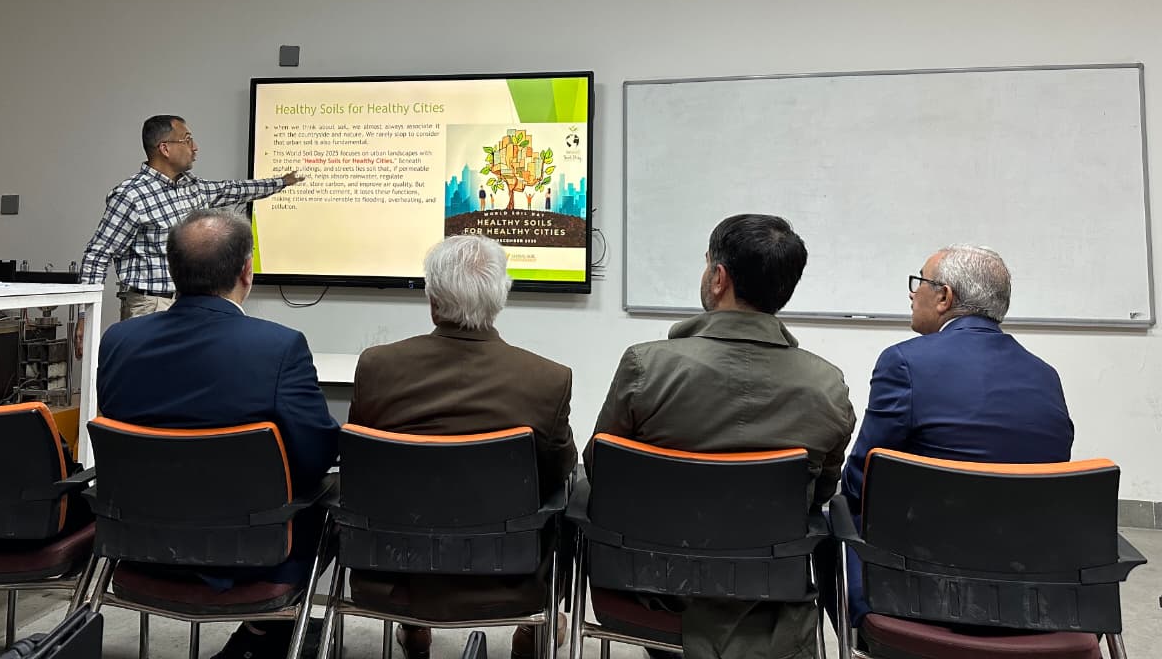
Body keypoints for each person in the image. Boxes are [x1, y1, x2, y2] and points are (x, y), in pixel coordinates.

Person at [586, 214, 855, 659]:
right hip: (768, 589)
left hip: (650, 581)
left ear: (718, 278)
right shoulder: (827, 387)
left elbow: (602, 470)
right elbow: (820, 493)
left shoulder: (646, 367)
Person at [97, 210, 339, 659]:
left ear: (173, 270)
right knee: (329, 500)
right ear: (246, 271)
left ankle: (261, 636)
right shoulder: (278, 347)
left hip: (137, 544)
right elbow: (316, 456)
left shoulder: (119, 340)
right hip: (253, 553)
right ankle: (265, 632)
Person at [348, 235, 576, 659]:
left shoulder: (377, 367)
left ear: (433, 301)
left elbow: (361, 465)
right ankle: (532, 633)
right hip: (509, 571)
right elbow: (558, 472)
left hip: (394, 567)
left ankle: (414, 626)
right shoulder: (547, 380)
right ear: (500, 298)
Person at [836, 244, 1074, 630]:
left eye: (920, 282)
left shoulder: (904, 362)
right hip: (1032, 592)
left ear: (944, 296)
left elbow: (861, 483)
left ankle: (870, 643)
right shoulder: (1045, 375)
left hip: (916, 591)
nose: (912, 294)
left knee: (836, 518)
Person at [76, 115, 301, 355]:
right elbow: (98, 255)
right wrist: (85, 316)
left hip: (192, 304)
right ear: (165, 149)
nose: (195, 147)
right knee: (150, 373)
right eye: (187, 140)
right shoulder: (131, 196)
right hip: (150, 306)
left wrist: (282, 182)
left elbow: (234, 189)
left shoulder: (192, 187)